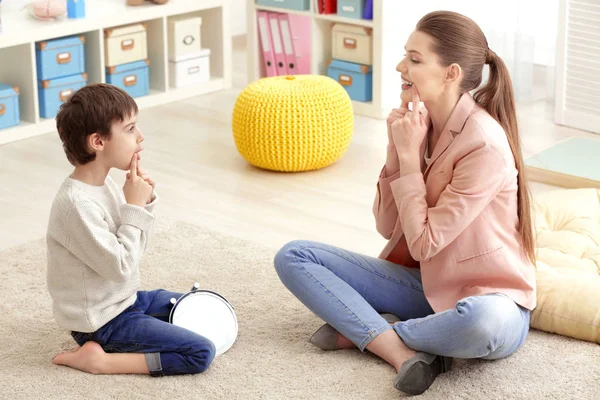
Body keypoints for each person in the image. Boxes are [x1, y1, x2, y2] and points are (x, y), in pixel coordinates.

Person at [274, 10, 536, 396]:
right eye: (405, 56)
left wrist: (410, 161)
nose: (401, 66)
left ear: (451, 73)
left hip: (491, 299)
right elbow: (387, 227)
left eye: (415, 60)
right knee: (293, 256)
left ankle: (374, 333)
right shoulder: (416, 123)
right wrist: (398, 151)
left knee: (481, 323)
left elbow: (424, 243)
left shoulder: (484, 144)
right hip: (427, 288)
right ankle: (403, 349)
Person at [46, 83, 216, 376]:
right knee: (200, 352)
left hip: (128, 300)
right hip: (102, 322)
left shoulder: (106, 184)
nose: (141, 136)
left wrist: (144, 202)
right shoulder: (76, 205)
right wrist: (134, 209)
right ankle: (100, 362)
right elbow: (121, 268)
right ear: (98, 142)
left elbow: (133, 253)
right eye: (130, 128)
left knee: (207, 309)